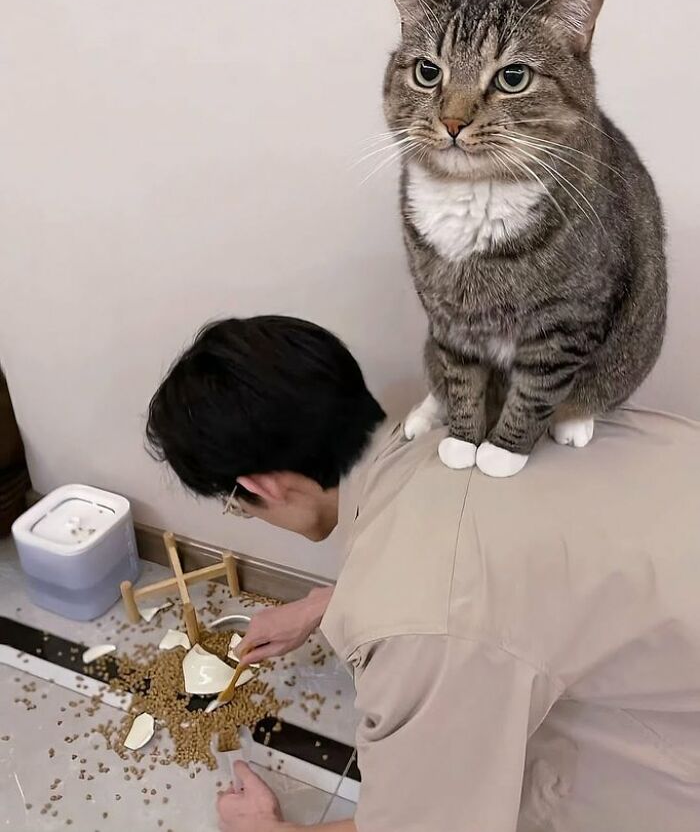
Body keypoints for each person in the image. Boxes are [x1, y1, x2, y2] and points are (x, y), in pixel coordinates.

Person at [146, 315, 700, 832]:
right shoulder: (478, 416)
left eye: (236, 504)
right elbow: (511, 567)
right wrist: (325, 603)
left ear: (261, 486)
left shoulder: (417, 624)